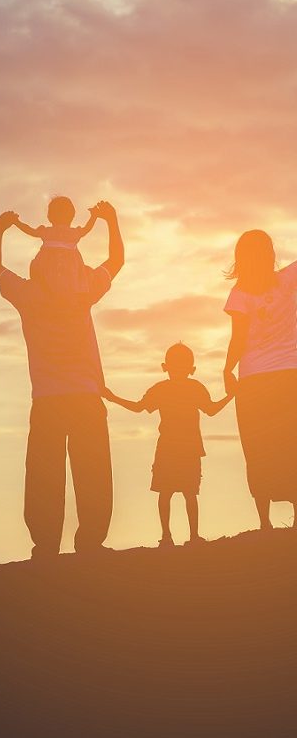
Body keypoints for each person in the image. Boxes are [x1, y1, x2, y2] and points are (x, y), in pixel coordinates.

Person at [0, 200, 124, 561]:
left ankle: (45, 545)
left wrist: (0, 230)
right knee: (92, 469)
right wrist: (111, 222)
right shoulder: (85, 290)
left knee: (45, 474)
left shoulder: (29, 294)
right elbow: (117, 262)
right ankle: (91, 543)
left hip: (48, 398)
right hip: (85, 397)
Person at [104, 343, 232, 547]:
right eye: (177, 365)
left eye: (182, 366)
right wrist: (232, 395)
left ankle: (182, 537)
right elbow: (212, 410)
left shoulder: (176, 388)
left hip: (181, 449)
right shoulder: (177, 388)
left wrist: (112, 397)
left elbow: (139, 408)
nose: (179, 370)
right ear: (167, 367)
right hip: (174, 449)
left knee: (180, 493)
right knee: (174, 493)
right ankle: (175, 537)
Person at [223, 230, 297, 530]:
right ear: (269, 253)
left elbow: (238, 338)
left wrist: (227, 370)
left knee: (258, 449)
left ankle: (264, 522)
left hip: (254, 381)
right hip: (290, 377)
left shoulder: (239, 294)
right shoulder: (289, 279)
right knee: (292, 445)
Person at [13, 196, 101, 293]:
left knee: (37, 271)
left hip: (46, 273)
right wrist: (94, 216)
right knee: (79, 275)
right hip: (69, 275)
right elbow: (87, 228)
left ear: (49, 216)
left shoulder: (47, 232)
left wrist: (17, 222)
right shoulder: (73, 233)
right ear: (72, 216)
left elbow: (30, 231)